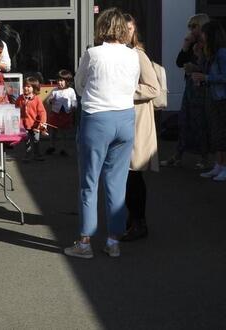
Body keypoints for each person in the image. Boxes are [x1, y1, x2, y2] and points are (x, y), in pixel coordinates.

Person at [64, 8, 139, 259]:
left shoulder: (92, 53)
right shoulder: (133, 55)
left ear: (102, 27)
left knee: (89, 182)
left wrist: (91, 96)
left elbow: (79, 84)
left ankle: (85, 243)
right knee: (117, 183)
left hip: (97, 119)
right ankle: (113, 240)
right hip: (126, 119)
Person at [120, 14, 161, 242]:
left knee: (133, 175)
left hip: (138, 121)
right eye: (122, 28)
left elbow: (153, 88)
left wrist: (126, 91)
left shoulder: (138, 55)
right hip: (124, 120)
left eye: (129, 28)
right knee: (126, 175)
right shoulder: (121, 55)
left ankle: (139, 221)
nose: (126, 32)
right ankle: (132, 218)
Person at [161, 14, 210, 169]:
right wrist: (185, 46)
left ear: (200, 26)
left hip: (202, 88)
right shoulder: (192, 43)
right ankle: (178, 155)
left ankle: (203, 157)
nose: (191, 30)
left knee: (200, 122)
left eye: (193, 27)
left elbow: (209, 67)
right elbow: (178, 62)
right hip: (190, 86)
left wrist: (195, 68)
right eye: (190, 27)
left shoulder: (208, 44)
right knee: (184, 120)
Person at [193, 20, 226, 182]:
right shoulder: (210, 52)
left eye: (204, 33)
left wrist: (206, 77)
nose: (201, 36)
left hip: (222, 99)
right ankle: (219, 165)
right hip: (213, 97)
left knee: (225, 132)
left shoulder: (223, 53)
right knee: (216, 131)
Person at [44, 69, 77, 156]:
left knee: (64, 132)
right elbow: (48, 100)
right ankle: (52, 145)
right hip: (56, 113)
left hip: (66, 113)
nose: (59, 83)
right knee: (53, 130)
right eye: (58, 80)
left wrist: (74, 108)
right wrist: (50, 100)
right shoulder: (55, 90)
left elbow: (74, 100)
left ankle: (64, 148)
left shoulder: (71, 90)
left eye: (62, 81)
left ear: (67, 81)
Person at [15, 77, 47, 161]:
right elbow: (16, 110)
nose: (26, 88)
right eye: (25, 86)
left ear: (34, 88)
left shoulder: (37, 99)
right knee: (27, 141)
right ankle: (27, 155)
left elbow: (42, 112)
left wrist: (42, 123)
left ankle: (37, 154)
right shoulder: (20, 98)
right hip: (24, 125)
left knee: (36, 140)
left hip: (36, 125)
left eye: (29, 87)